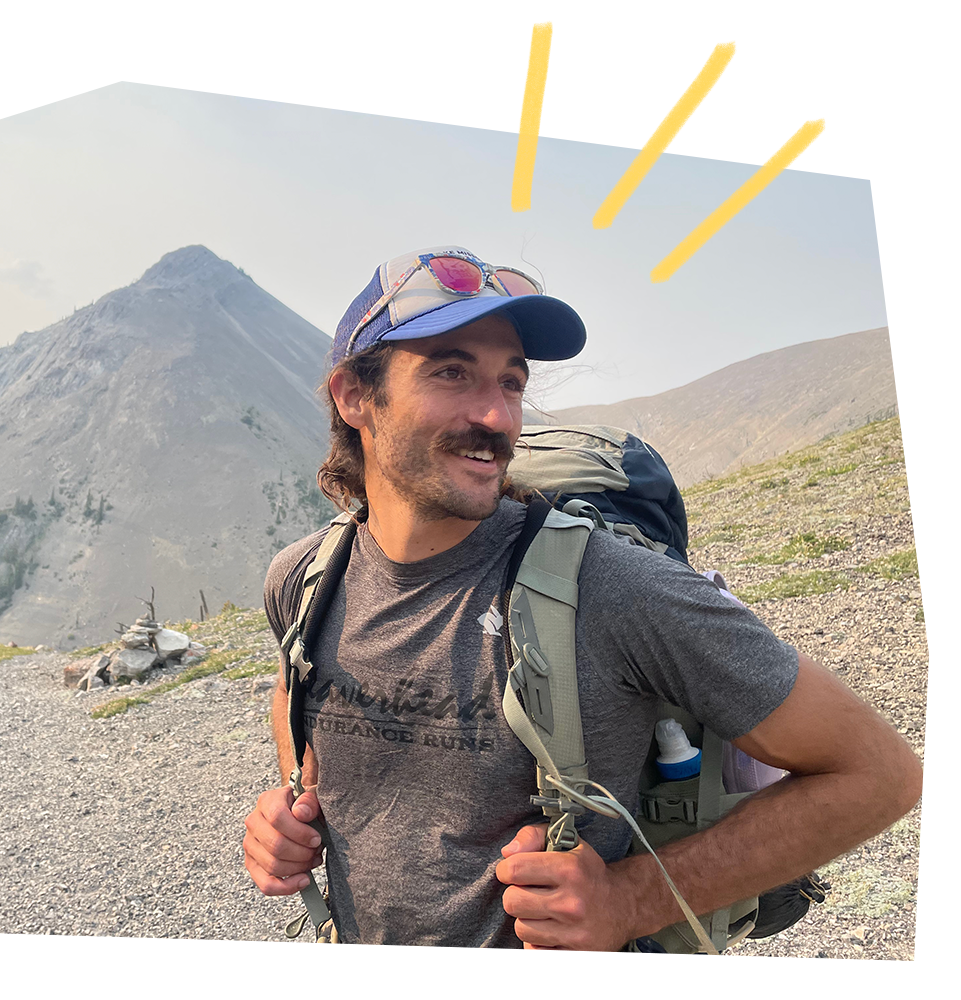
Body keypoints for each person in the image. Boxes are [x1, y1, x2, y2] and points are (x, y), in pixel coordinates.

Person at [241, 245, 924, 961]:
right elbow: (300, 698)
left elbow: (879, 773)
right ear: (354, 396)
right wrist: (290, 811)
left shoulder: (609, 588)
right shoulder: (305, 579)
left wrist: (631, 900)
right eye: (451, 371)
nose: (497, 415)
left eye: (511, 382)